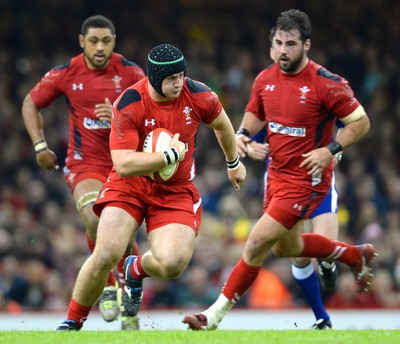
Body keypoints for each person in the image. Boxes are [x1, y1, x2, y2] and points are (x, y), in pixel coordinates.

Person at [183, 9, 377, 330]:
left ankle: (212, 315)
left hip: (307, 179)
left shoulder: (327, 84)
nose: (283, 51)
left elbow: (361, 122)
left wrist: (331, 150)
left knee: (256, 242)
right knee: (289, 248)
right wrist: (244, 138)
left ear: (306, 45)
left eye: (290, 44)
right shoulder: (264, 79)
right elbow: (253, 118)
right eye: (278, 43)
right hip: (276, 176)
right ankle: (352, 256)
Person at [54, 43, 246, 331]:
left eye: (181, 76)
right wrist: (166, 156)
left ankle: (135, 269)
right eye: (171, 79)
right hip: (130, 185)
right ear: (154, 78)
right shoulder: (130, 102)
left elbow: (222, 124)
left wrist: (233, 163)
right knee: (106, 252)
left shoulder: (198, 94)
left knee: (173, 264)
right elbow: (123, 164)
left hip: (175, 190)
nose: (178, 83)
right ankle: (71, 322)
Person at [21, 14, 145, 330]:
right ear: (82, 42)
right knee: (95, 218)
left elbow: (154, 114)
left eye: (106, 40)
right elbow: (30, 103)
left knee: (123, 238)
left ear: (114, 42)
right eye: (93, 41)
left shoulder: (131, 73)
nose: (100, 47)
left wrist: (119, 113)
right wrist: (39, 146)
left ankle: (129, 292)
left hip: (124, 163)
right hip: (84, 163)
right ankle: (108, 286)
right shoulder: (67, 72)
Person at [246, 123, 343, 329]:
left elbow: (351, 123)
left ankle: (328, 264)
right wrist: (251, 147)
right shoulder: (273, 99)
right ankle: (322, 317)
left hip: (319, 179)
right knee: (297, 254)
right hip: (284, 185)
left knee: (326, 247)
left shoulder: (324, 94)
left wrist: (337, 148)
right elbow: (250, 136)